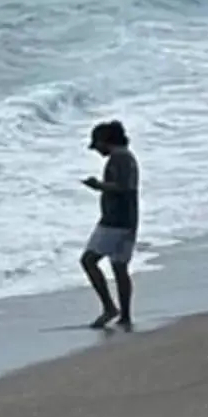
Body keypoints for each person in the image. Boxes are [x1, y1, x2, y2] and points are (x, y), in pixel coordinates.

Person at [81, 120, 141, 330]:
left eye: (97, 144)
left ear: (106, 141)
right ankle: (124, 315)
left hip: (114, 220)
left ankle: (109, 307)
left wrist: (98, 185)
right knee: (119, 267)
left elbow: (123, 186)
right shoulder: (128, 157)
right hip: (129, 219)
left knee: (89, 260)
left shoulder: (119, 158)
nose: (96, 149)